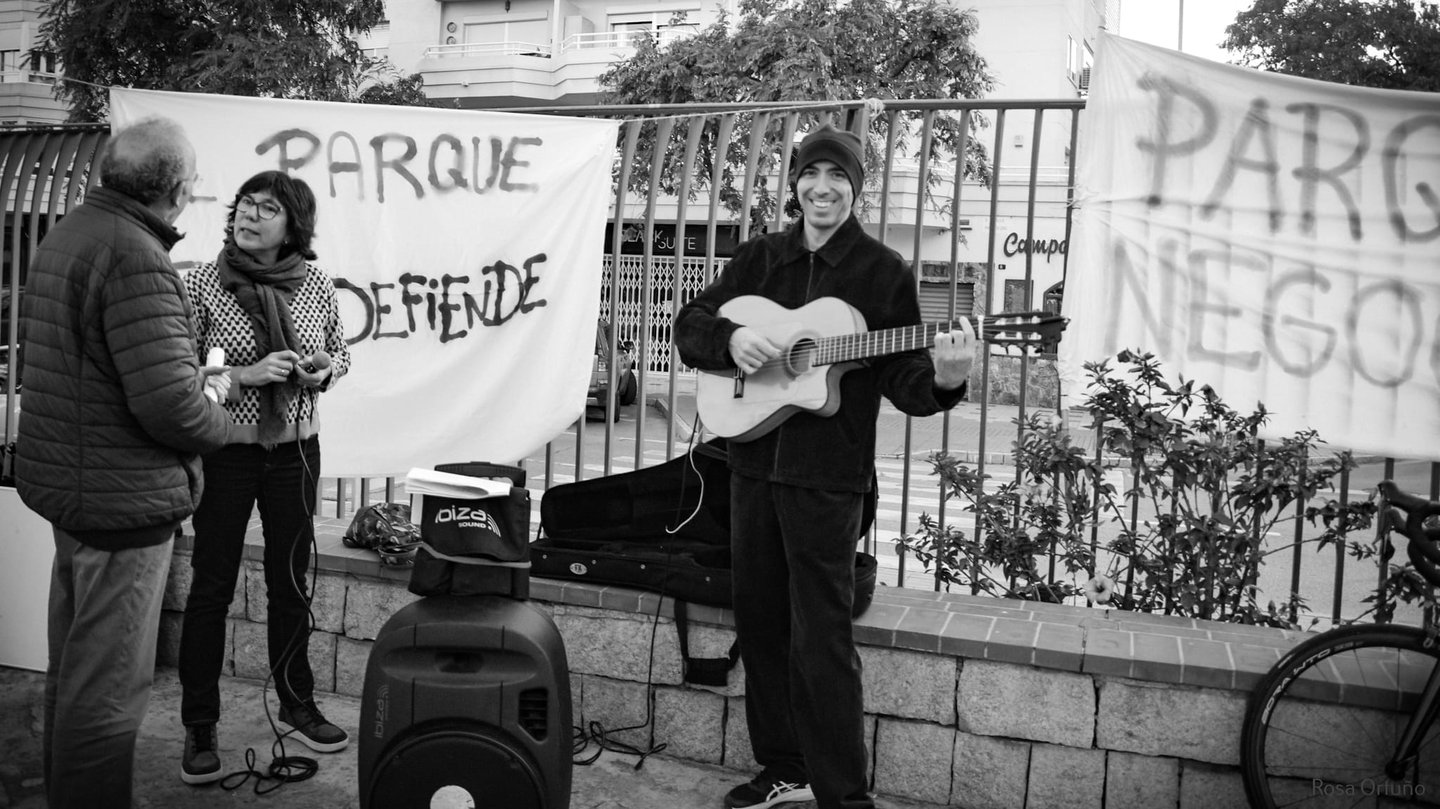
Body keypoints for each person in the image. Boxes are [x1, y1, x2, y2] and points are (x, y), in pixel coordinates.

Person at [673, 124, 976, 809]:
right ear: (796, 184)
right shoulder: (760, 260)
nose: (823, 188)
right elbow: (689, 325)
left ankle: (844, 795)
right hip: (749, 467)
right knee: (760, 624)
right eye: (813, 175)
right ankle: (784, 768)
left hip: (827, 481)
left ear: (855, 189)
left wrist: (948, 378)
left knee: (824, 641)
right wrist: (734, 337)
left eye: (838, 177)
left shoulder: (879, 272)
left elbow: (905, 377)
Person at [14, 116, 234, 809]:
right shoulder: (137, 256)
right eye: (192, 185)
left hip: (77, 494)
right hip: (121, 505)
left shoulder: (69, 234)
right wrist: (216, 406)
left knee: (76, 676)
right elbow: (171, 407)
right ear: (170, 190)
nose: (192, 195)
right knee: (108, 693)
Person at [175, 170, 351, 784]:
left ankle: (296, 701)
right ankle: (200, 722)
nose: (249, 216)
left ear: (291, 225)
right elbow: (184, 372)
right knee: (211, 587)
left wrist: (321, 369)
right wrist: (247, 376)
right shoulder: (201, 282)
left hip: (296, 454)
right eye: (244, 205)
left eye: (266, 208)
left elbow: (341, 352)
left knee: (290, 583)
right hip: (228, 455)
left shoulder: (315, 282)